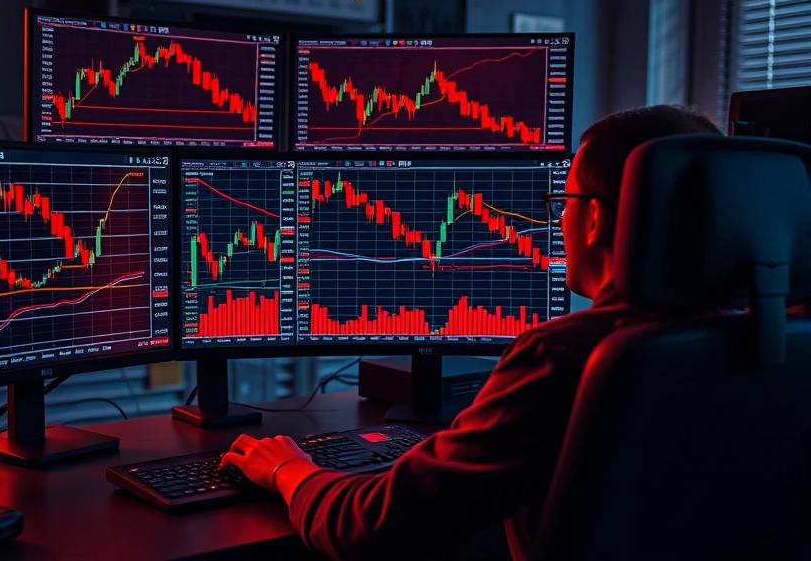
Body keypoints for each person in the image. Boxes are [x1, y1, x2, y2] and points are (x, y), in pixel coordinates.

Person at [220, 105, 723, 561]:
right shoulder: (781, 337)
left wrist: (290, 469)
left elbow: (371, 530)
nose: (559, 219)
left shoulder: (567, 356)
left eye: (564, 200)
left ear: (591, 218)